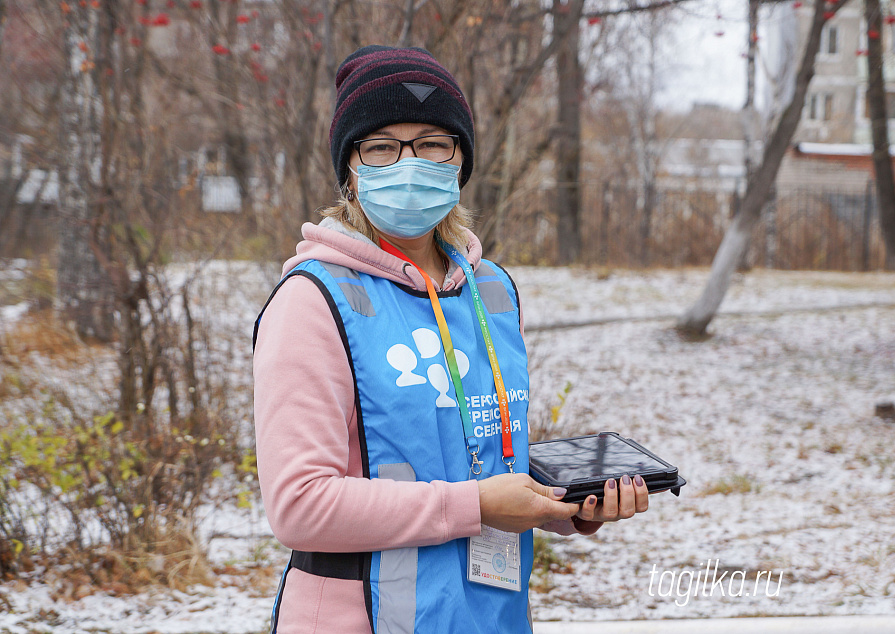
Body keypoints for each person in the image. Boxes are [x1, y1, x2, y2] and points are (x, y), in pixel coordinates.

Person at [253, 45, 650, 634]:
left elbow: (488, 460)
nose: (409, 163)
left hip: (488, 614)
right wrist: (478, 505)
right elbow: (300, 505)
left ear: (459, 160)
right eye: (382, 146)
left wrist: (567, 505)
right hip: (357, 618)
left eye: (433, 143)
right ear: (351, 171)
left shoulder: (490, 289)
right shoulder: (313, 300)